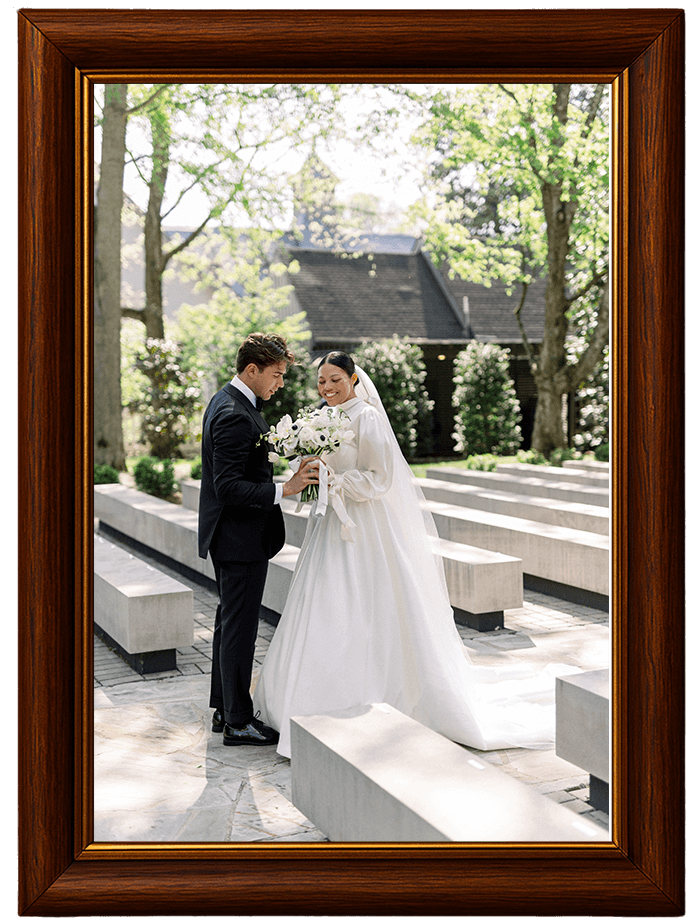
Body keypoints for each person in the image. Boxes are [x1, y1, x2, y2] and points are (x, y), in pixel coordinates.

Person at [254, 351, 577, 759]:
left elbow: (381, 478)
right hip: (329, 529)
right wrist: (312, 472)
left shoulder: (367, 417)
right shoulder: (326, 417)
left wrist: (338, 481)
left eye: (335, 379)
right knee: (323, 602)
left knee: (365, 604)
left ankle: (363, 697)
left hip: (363, 529)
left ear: (353, 379)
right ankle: (299, 699)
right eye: (321, 381)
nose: (327, 387)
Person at [198, 332, 319, 746]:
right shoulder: (234, 412)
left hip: (234, 536)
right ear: (252, 370)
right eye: (277, 375)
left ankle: (223, 707)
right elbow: (228, 486)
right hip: (239, 537)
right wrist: (283, 489)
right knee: (240, 629)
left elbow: (245, 464)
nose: (280, 384)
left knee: (229, 623)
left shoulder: (229, 401)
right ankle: (237, 720)